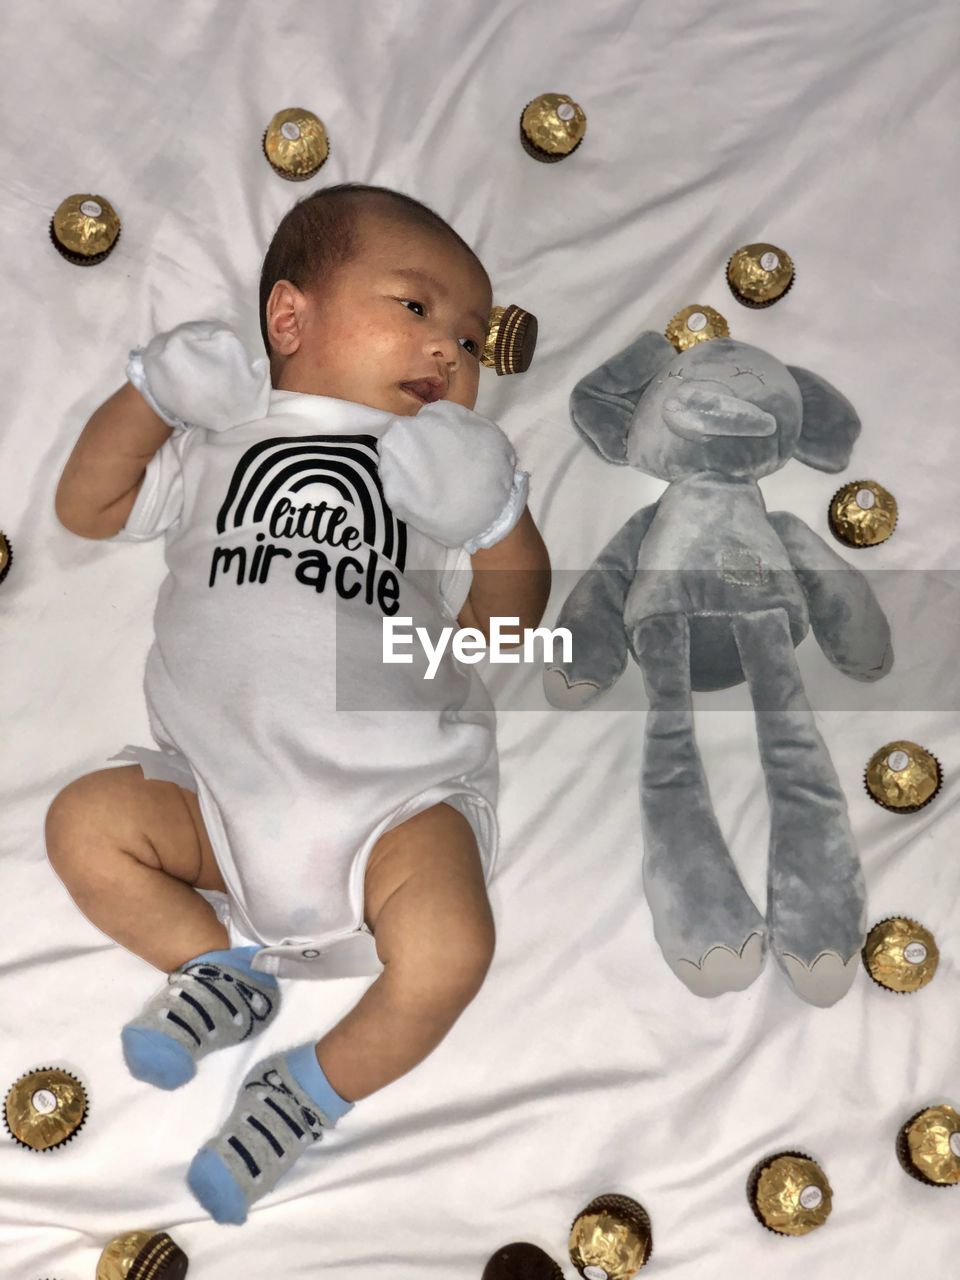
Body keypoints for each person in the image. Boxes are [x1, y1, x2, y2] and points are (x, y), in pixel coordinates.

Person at [47, 183, 550, 1224]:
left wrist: (498, 521)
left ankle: (308, 1088)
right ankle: (215, 968)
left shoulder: (438, 470)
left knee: (454, 949)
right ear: (290, 317)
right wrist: (153, 395)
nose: (451, 352)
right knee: (84, 824)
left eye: (468, 338)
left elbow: (504, 632)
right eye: (418, 309)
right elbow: (84, 506)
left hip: (399, 803)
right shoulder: (224, 436)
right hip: (215, 804)